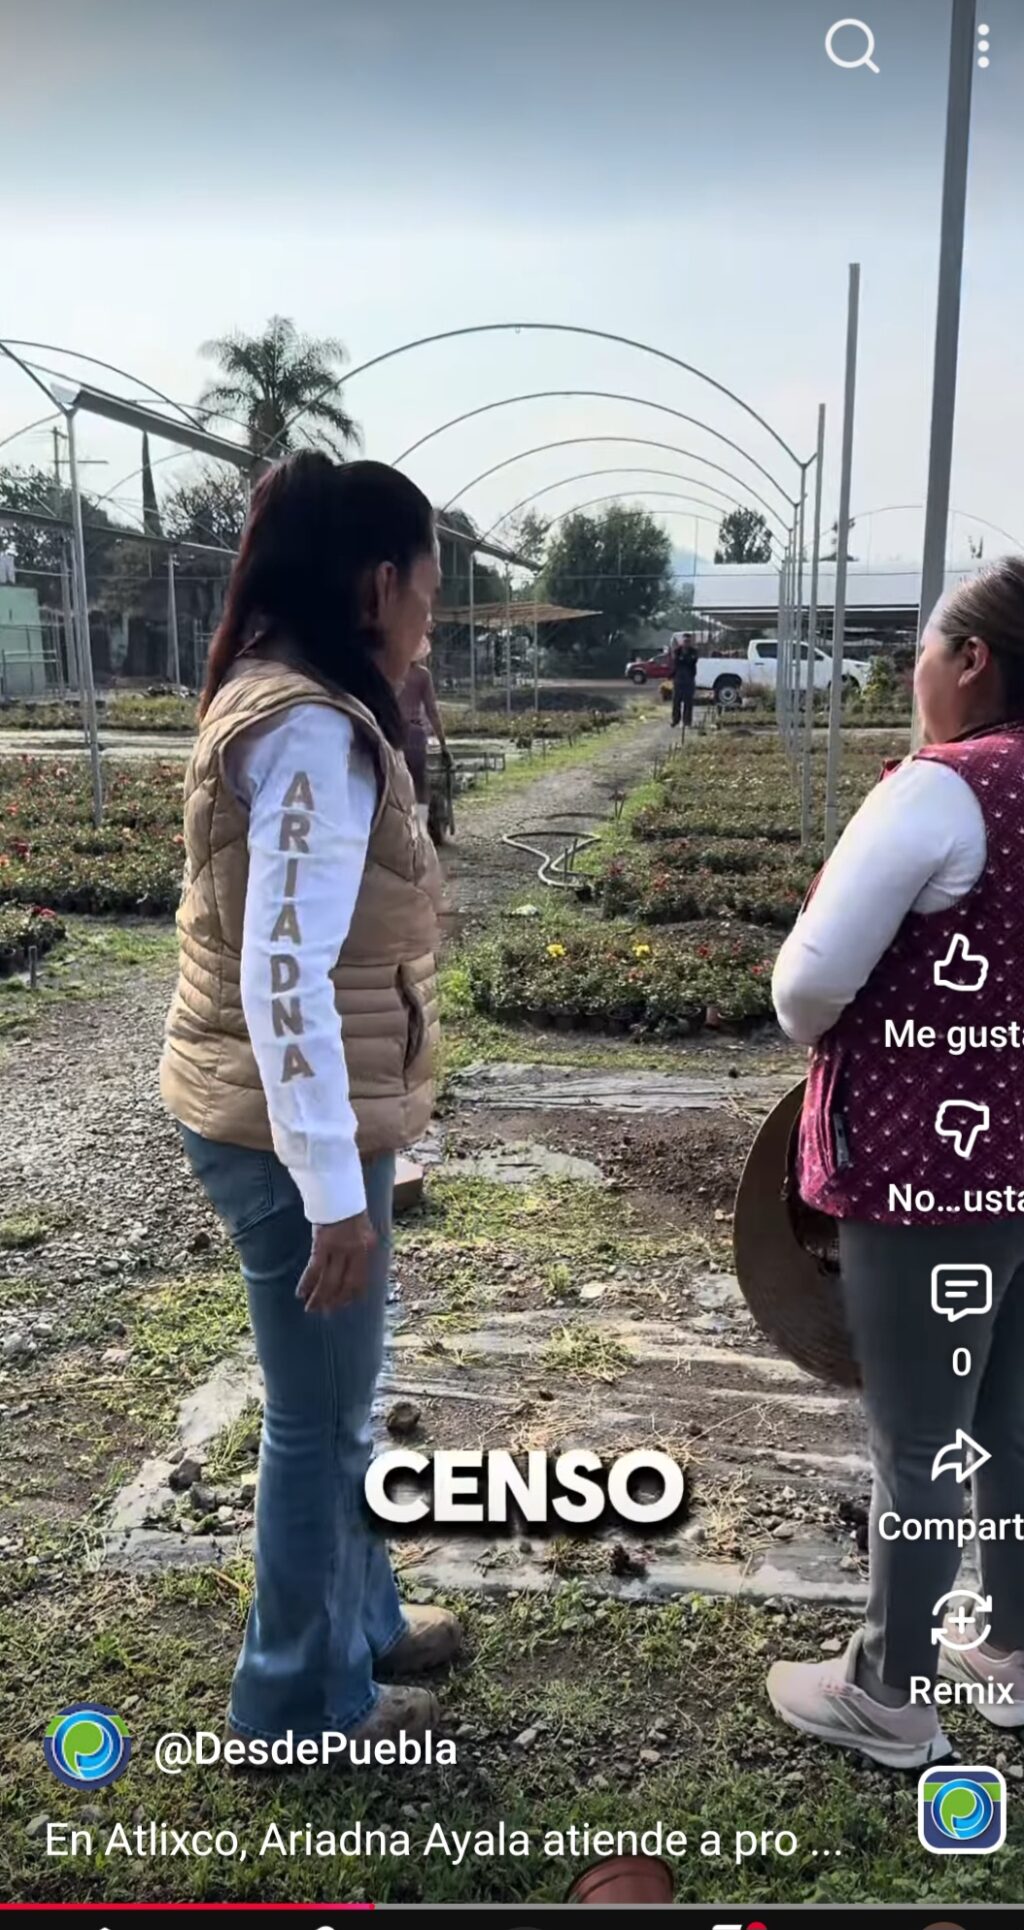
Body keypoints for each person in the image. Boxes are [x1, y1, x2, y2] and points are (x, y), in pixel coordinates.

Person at [159, 452, 461, 1755]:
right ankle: (296, 1702)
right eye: (428, 597)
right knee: (318, 1420)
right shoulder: (309, 734)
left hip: (277, 1108)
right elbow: (284, 981)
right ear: (378, 584)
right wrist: (335, 1193)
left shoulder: (288, 695)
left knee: (339, 1399)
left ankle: (363, 1622)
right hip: (288, 1130)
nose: (428, 624)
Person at [766, 557, 1024, 1768]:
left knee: (918, 1437)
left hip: (931, 1170)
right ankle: (1009, 1647)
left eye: (922, 646)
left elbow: (807, 985)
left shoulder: (942, 789)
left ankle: (890, 1692)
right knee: (1011, 1418)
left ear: (970, 659)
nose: (913, 669)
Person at [399, 636, 451, 831]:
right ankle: (420, 829)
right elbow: (432, 711)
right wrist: (443, 744)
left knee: (392, 782)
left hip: (391, 732)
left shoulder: (389, 672)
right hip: (414, 734)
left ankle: (396, 827)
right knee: (420, 783)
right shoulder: (422, 675)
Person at [670, 633, 699, 734]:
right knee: (676, 701)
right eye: (685, 641)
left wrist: (684, 659)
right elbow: (676, 662)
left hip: (689, 679)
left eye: (688, 641)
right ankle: (675, 720)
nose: (686, 643)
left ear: (690, 642)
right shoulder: (677, 651)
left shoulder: (694, 651)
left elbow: (692, 661)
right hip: (678, 679)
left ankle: (687, 721)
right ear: (682, 642)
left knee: (688, 702)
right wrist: (684, 660)